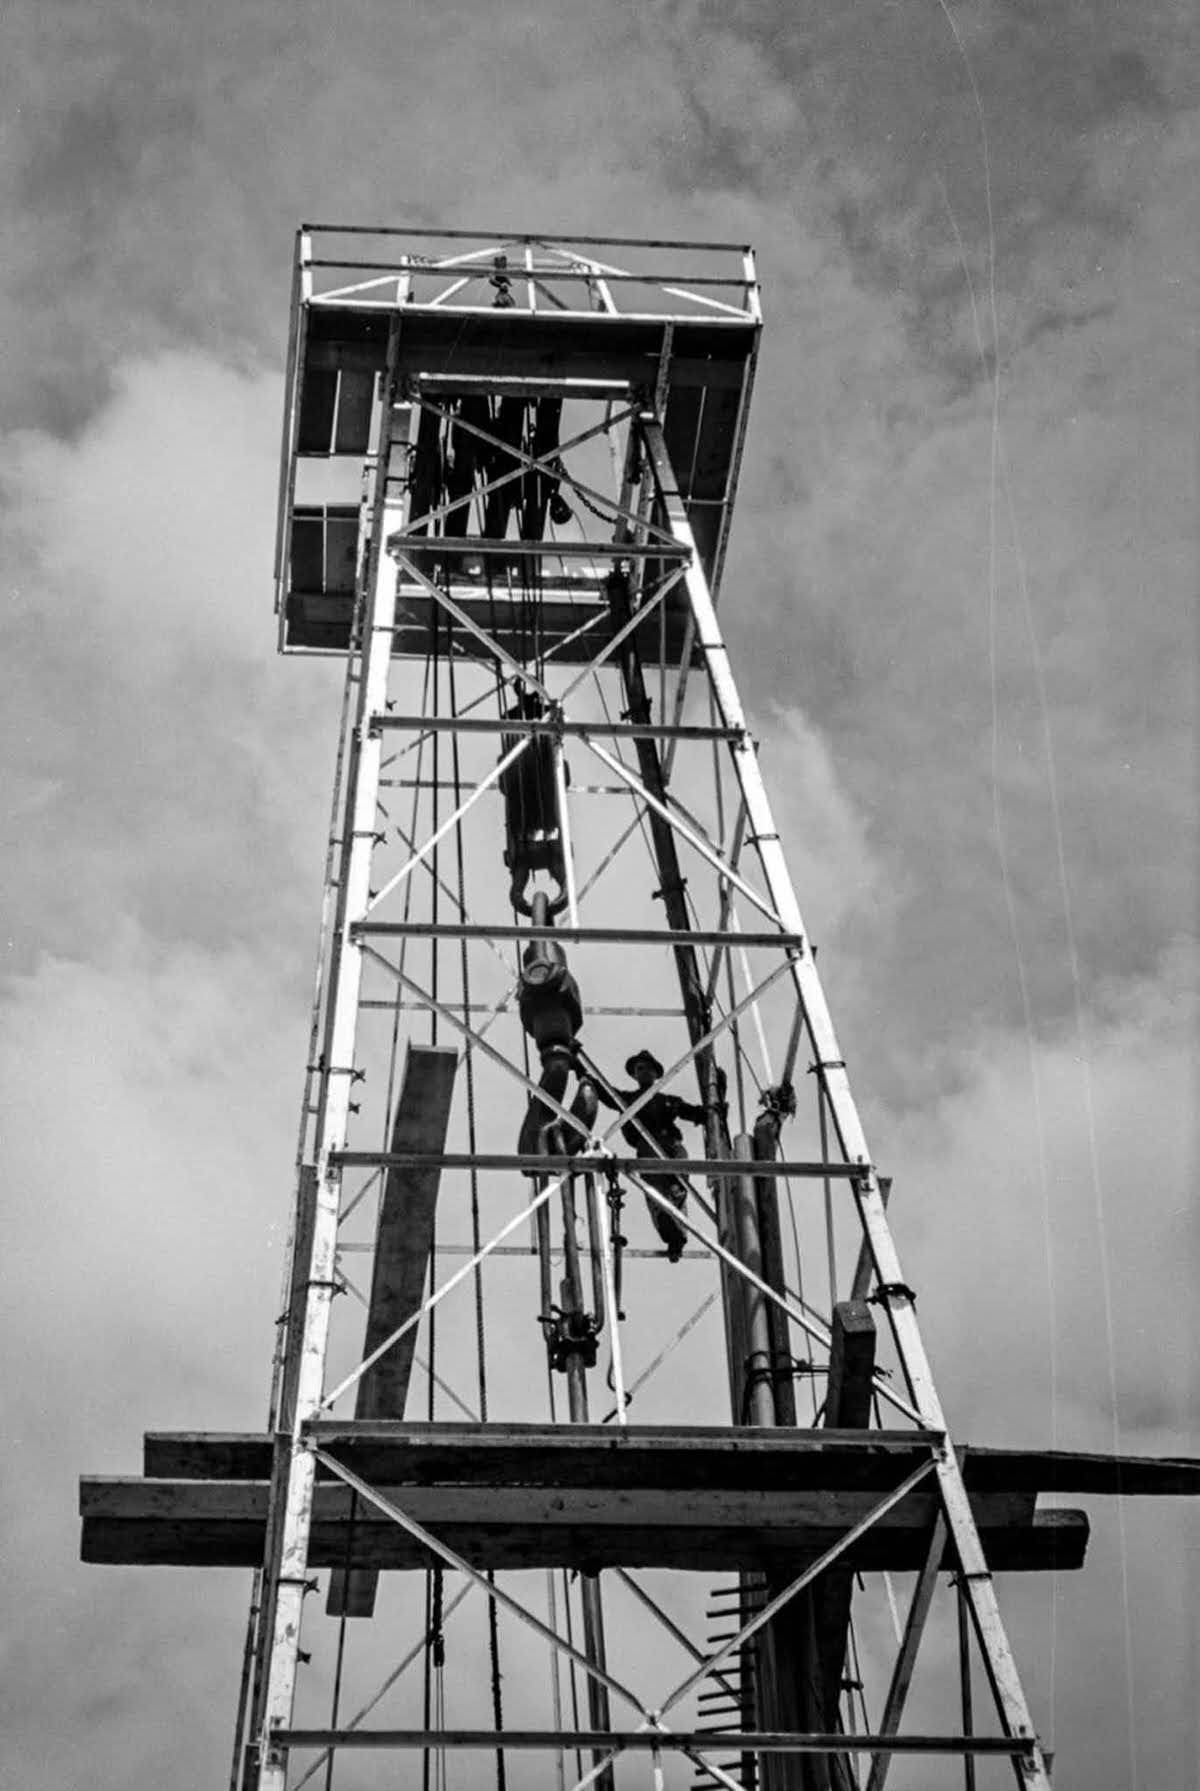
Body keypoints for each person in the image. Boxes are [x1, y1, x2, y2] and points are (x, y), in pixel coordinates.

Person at [594, 1050, 708, 1261]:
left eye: (647, 1068)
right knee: (655, 1191)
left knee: (677, 1186)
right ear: (635, 1075)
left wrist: (709, 1113)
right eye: (639, 1069)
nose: (643, 1072)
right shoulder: (628, 1100)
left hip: (671, 1147)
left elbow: (689, 1111)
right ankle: (669, 1228)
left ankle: (678, 1233)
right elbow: (607, 1094)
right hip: (646, 1149)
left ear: (656, 1074)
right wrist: (585, 1075)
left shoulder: (667, 1101)